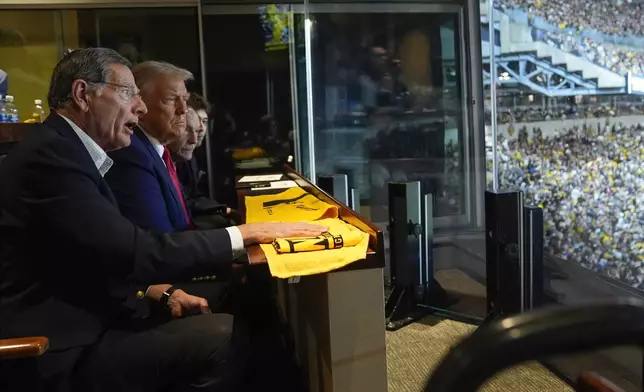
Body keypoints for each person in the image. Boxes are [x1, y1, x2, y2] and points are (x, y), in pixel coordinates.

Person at [0, 48, 327, 392]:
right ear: (83, 94)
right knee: (221, 338)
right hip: (56, 352)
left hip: (93, 322)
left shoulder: (62, 149)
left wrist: (158, 294)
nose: (139, 108)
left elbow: (95, 255)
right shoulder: (51, 158)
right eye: (128, 93)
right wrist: (241, 236)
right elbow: (133, 249)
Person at [105, 61, 200, 233]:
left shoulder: (159, 150)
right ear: (139, 105)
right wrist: (236, 238)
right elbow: (160, 240)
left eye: (185, 100)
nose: (183, 109)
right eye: (171, 100)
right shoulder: (132, 154)